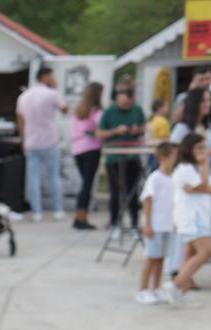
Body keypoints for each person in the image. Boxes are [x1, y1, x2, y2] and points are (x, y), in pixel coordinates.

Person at [168, 133, 211, 303]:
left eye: (204, 148)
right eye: (199, 148)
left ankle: (183, 291)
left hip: (201, 215)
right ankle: (176, 284)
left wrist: (200, 186)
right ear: (189, 149)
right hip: (192, 217)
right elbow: (205, 185)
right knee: (207, 251)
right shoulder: (185, 169)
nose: (203, 152)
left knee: (190, 253)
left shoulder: (197, 168)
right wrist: (204, 166)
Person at [17, 68, 68, 221]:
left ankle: (37, 211)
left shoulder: (24, 96)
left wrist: (23, 138)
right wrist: (56, 89)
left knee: (33, 178)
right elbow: (65, 109)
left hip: (31, 141)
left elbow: (20, 119)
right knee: (54, 176)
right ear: (45, 77)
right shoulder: (52, 94)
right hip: (50, 140)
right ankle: (58, 209)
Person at [98, 85, 147, 231]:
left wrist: (136, 130)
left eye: (129, 103)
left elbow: (144, 127)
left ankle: (134, 222)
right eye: (123, 103)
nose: (126, 105)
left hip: (132, 155)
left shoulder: (137, 110)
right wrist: (115, 131)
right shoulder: (109, 112)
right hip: (114, 158)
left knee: (133, 191)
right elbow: (99, 133)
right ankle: (114, 222)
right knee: (115, 192)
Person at [137, 141, 176, 304]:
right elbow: (147, 201)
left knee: (160, 258)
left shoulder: (174, 177)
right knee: (151, 257)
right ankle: (143, 290)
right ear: (163, 157)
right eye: (175, 156)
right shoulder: (155, 178)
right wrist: (147, 224)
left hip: (168, 225)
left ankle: (156, 288)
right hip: (155, 226)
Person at [70, 82, 104, 231]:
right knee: (87, 185)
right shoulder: (96, 111)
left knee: (85, 184)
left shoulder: (79, 111)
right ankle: (82, 217)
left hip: (77, 149)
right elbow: (101, 128)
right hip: (91, 149)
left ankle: (79, 215)